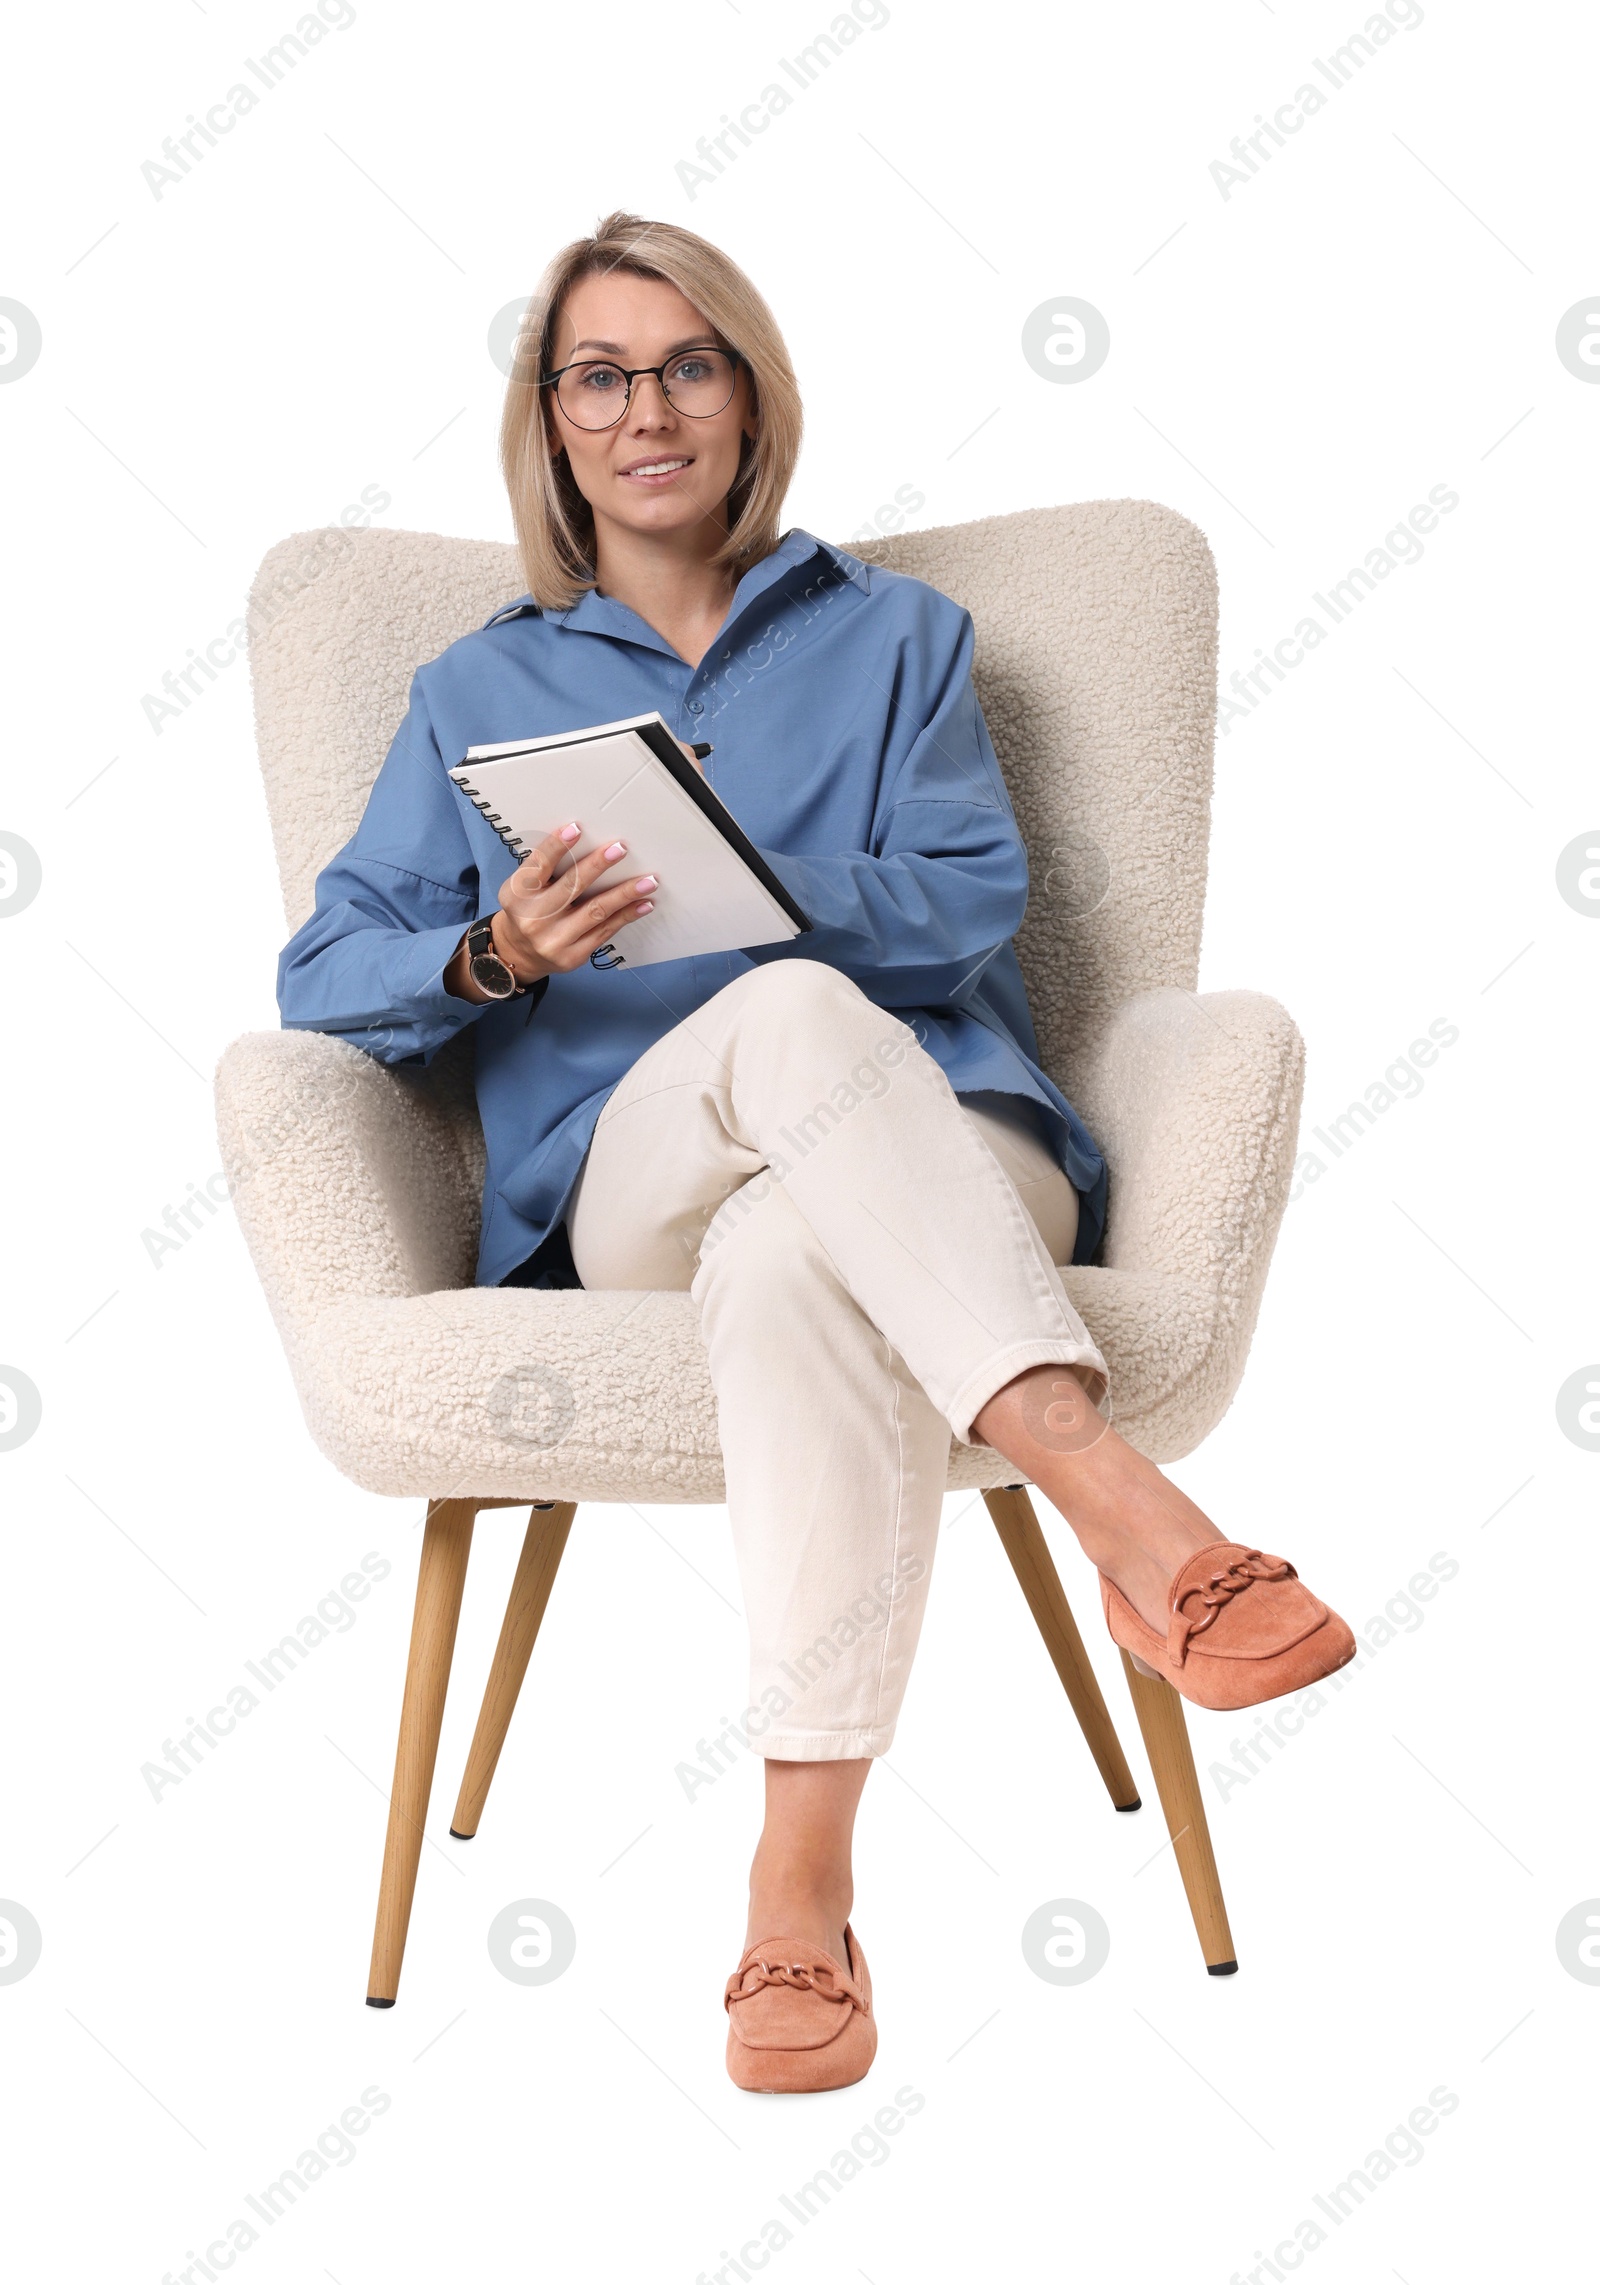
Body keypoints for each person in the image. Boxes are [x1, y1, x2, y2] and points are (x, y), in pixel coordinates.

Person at [279, 210, 1353, 2094]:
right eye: (599, 374)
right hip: (628, 1186)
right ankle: (1122, 1505)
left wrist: (740, 893)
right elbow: (323, 973)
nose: (646, 409)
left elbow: (965, 906)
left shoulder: (899, 640)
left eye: (689, 364)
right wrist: (493, 949)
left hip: (945, 1143)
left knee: (794, 1237)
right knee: (771, 1033)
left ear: (751, 394)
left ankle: (800, 1887)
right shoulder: (476, 688)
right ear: (550, 419)